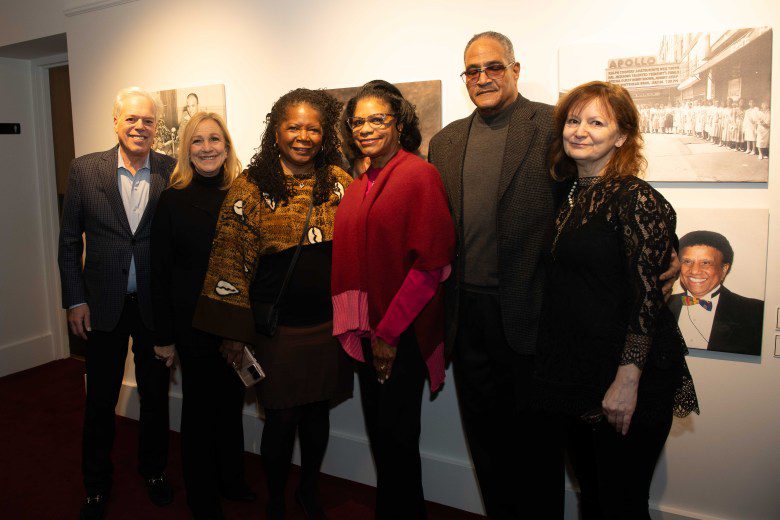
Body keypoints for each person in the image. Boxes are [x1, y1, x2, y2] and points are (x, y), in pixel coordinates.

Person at [534, 81, 699, 519]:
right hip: (577, 373)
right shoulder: (567, 194)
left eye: (596, 122)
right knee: (592, 496)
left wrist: (627, 382)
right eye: (573, 120)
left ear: (622, 135)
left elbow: (648, 301)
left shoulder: (637, 198)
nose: (580, 131)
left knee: (621, 504)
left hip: (627, 376)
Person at [193, 89, 354, 520]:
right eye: (293, 127)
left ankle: (309, 491)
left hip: (327, 326)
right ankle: (278, 500)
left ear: (324, 134)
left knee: (317, 414)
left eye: (313, 128)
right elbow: (229, 259)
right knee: (281, 419)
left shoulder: (340, 180)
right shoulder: (251, 186)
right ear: (276, 132)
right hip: (278, 331)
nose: (303, 136)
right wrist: (232, 334)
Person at [427, 31, 566, 518]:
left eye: (493, 67)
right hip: (467, 316)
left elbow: (591, 197)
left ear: (515, 69)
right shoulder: (445, 142)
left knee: (539, 444)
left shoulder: (553, 125)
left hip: (532, 311)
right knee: (485, 439)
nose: (482, 77)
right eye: (473, 70)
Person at [332, 80, 455, 519]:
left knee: (398, 442)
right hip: (370, 331)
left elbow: (430, 267)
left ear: (399, 124)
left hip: (399, 335)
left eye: (377, 119)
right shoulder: (361, 182)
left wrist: (388, 334)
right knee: (383, 440)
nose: (365, 129)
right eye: (358, 122)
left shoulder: (419, 175)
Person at [58, 87, 176, 520]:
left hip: (153, 307)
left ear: (156, 127)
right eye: (131, 119)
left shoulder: (171, 170)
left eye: (148, 120)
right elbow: (69, 241)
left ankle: (154, 471)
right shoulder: (85, 169)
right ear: (115, 122)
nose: (140, 127)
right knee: (100, 400)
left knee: (156, 398)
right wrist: (74, 299)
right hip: (101, 306)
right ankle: (96, 485)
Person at [151, 112, 251, 519]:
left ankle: (232, 480)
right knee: (200, 412)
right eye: (197, 141)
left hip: (237, 323)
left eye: (214, 139)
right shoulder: (172, 200)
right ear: (186, 150)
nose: (206, 148)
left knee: (231, 404)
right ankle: (202, 497)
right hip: (193, 325)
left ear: (226, 146)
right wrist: (163, 337)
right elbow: (159, 273)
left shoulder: (245, 195)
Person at [669, 230, 764, 355]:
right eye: (687, 261)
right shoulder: (662, 305)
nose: (695, 271)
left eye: (705, 263)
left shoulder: (755, 312)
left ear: (724, 269)